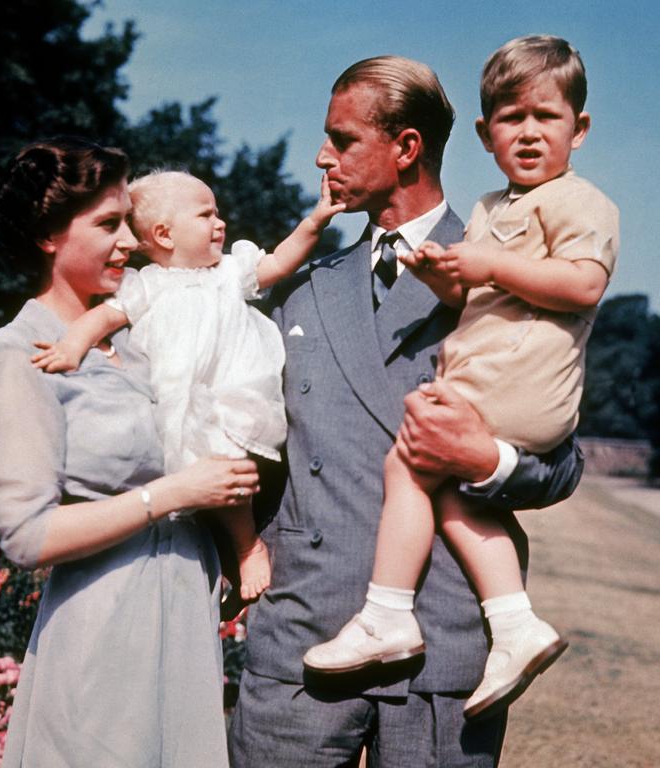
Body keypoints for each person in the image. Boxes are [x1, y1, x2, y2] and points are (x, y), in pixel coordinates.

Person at [229, 56, 584, 767]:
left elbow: (561, 463)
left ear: (407, 147)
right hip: (303, 641)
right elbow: (242, 441)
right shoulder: (302, 290)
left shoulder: (509, 271)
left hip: (443, 644)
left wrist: (488, 461)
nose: (322, 156)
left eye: (343, 138)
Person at [304, 36, 618, 721]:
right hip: (304, 624)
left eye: (547, 118)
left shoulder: (576, 202)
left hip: (516, 395)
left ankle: (390, 613)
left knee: (412, 464)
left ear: (580, 129)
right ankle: (514, 624)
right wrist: (449, 281)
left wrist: (484, 267)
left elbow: (584, 283)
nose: (529, 134)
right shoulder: (486, 214)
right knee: (438, 487)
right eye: (511, 120)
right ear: (485, 133)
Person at [0, 137, 261, 768]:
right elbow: (27, 536)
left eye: (130, 221)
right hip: (102, 634)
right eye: (108, 224)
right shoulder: (17, 355)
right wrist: (173, 494)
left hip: (184, 615)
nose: (129, 241)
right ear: (49, 236)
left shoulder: (140, 347)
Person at [30, 170, 343, 604]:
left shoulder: (230, 271)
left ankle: (247, 545)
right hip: (173, 401)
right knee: (187, 484)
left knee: (225, 468)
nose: (221, 223)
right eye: (206, 215)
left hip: (230, 397)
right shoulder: (147, 285)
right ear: (163, 234)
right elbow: (103, 318)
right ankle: (222, 566)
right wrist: (70, 345)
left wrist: (315, 221)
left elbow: (277, 263)